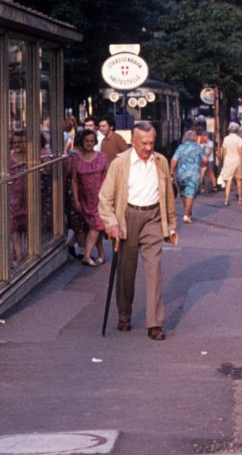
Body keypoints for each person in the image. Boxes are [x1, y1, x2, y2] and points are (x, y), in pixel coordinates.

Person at [97, 122, 177, 341]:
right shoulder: (120, 163)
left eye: (152, 142)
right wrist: (111, 222)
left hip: (153, 217)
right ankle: (124, 315)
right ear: (133, 141)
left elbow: (168, 194)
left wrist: (170, 225)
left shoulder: (160, 161)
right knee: (126, 270)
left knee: (154, 269)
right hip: (127, 217)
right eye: (144, 143)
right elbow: (105, 197)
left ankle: (154, 323)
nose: (148, 147)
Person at [70, 128, 109, 266]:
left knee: (97, 225)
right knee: (94, 227)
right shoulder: (76, 159)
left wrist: (106, 197)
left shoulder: (102, 157)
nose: (89, 143)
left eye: (92, 141)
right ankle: (102, 255)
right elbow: (74, 180)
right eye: (86, 141)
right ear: (82, 142)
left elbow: (107, 177)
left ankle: (86, 255)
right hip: (85, 198)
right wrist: (76, 200)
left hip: (100, 197)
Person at [171, 130, 205, 223]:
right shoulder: (198, 148)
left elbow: (174, 160)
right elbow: (205, 160)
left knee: (183, 193)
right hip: (194, 174)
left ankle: (188, 212)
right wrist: (202, 164)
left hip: (181, 174)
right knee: (190, 193)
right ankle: (186, 215)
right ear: (194, 138)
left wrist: (172, 171)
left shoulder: (180, 147)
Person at [8, 129, 29, 264]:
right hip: (13, 199)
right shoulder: (8, 157)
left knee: (27, 226)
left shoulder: (30, 156)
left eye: (21, 142)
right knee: (13, 228)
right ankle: (19, 255)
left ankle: (24, 255)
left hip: (29, 197)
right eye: (15, 142)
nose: (18, 145)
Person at [219, 122, 242, 205]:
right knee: (239, 180)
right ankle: (240, 198)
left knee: (228, 180)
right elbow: (240, 151)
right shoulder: (239, 139)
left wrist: (223, 160)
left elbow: (223, 151)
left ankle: (226, 199)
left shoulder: (226, 139)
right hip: (237, 160)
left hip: (228, 160)